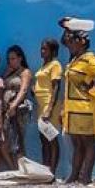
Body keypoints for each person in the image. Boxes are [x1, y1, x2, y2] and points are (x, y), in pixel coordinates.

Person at [60, 22, 95, 185]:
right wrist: (66, 27)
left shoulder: (89, 59)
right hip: (72, 109)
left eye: (73, 41)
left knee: (88, 142)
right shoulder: (75, 60)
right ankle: (74, 174)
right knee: (77, 144)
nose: (69, 44)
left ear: (82, 41)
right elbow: (63, 40)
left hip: (86, 108)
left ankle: (86, 175)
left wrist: (92, 89)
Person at [33, 39, 63, 173]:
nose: (42, 51)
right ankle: (45, 170)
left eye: (45, 49)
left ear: (53, 51)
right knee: (43, 139)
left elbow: (56, 87)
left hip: (49, 106)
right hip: (41, 106)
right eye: (41, 48)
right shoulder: (43, 66)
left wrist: (50, 108)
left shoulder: (55, 65)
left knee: (51, 138)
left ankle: (52, 171)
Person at [1, 46, 33, 172]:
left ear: (20, 58)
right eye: (9, 59)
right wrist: (6, 73)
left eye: (13, 58)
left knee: (18, 141)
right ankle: (13, 168)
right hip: (7, 111)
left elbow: (23, 90)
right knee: (5, 143)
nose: (11, 61)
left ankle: (22, 170)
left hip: (18, 110)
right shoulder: (10, 72)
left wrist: (14, 105)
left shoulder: (25, 72)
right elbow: (2, 85)